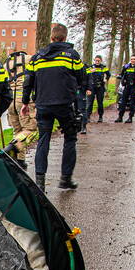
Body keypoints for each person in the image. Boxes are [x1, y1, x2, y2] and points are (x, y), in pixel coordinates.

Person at [21, 23, 87, 191]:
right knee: (70, 138)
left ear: (51, 38)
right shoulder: (71, 55)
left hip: (43, 104)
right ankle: (65, 179)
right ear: (65, 38)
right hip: (64, 104)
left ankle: (40, 183)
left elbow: (28, 81)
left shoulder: (37, 57)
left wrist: (24, 102)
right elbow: (82, 77)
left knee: (44, 139)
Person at [4, 52, 37, 169]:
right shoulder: (30, 59)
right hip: (23, 101)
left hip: (10, 101)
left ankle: (20, 161)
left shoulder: (6, 64)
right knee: (30, 129)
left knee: (17, 130)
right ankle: (14, 146)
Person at [115, 56, 135, 123]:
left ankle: (130, 117)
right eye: (131, 59)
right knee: (123, 102)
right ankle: (120, 117)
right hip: (127, 86)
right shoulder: (126, 67)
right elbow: (122, 74)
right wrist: (121, 78)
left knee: (132, 103)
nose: (132, 60)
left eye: (134, 59)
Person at [85, 55, 110, 123]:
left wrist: (106, 79)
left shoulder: (104, 67)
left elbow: (109, 74)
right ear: (94, 60)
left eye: (98, 60)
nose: (97, 62)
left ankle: (100, 117)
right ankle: (88, 117)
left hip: (100, 87)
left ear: (101, 60)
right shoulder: (90, 67)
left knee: (100, 102)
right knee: (89, 103)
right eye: (96, 60)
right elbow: (85, 74)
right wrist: (91, 71)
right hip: (92, 87)